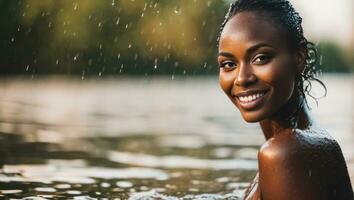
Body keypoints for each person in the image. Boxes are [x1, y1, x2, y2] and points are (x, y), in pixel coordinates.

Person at [217, 0, 354, 199]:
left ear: (299, 57)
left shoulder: (285, 153)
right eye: (229, 64)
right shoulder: (304, 139)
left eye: (261, 58)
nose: (241, 78)